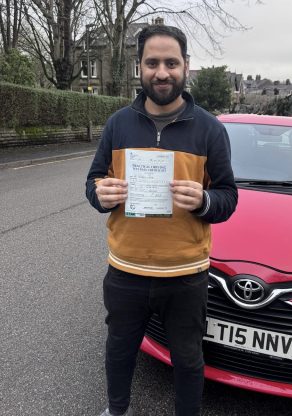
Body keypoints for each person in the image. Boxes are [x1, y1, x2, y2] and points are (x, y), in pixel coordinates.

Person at [86, 24, 238, 416]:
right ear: (140, 67)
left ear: (186, 66)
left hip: (186, 275)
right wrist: (100, 195)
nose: (162, 72)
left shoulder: (210, 129)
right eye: (152, 62)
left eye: (171, 62)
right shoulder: (118, 123)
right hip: (126, 270)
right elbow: (94, 181)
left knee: (188, 361)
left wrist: (204, 200)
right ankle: (117, 410)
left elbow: (228, 197)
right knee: (119, 350)